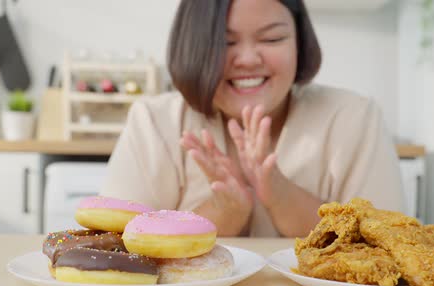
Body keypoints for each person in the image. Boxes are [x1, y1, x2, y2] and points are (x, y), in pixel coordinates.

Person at [101, 0, 404, 237]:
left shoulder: (354, 119)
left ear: (299, 40)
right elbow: (116, 246)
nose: (247, 59)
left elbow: (389, 247)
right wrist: (225, 210)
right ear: (191, 48)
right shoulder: (153, 123)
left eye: (272, 39)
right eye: (225, 43)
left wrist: (283, 197)